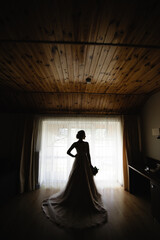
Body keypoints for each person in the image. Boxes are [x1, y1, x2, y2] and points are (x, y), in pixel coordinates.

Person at [42, 130, 107, 229]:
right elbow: (88, 154)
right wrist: (90, 164)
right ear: (83, 136)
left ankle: (77, 194)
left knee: (77, 177)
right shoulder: (85, 143)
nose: (83, 136)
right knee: (82, 177)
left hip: (79, 160)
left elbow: (69, 152)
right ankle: (85, 195)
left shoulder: (76, 143)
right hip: (83, 161)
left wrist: (75, 156)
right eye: (83, 135)